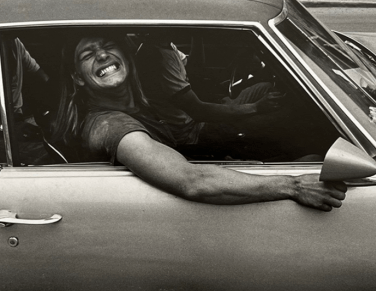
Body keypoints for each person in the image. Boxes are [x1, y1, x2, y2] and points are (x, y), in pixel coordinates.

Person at [50, 34, 347, 210]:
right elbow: (191, 181)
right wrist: (293, 186)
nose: (102, 54)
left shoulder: (139, 106)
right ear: (77, 78)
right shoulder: (110, 125)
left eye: (107, 46)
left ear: (126, 57)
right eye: (88, 55)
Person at [135, 38, 284, 147]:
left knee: (265, 88)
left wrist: (196, 37)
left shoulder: (167, 45)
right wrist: (256, 107)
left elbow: (195, 70)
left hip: (198, 117)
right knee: (274, 120)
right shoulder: (156, 57)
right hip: (192, 132)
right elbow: (198, 111)